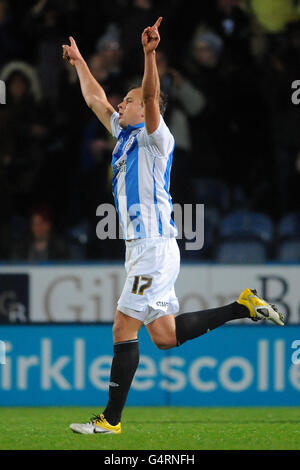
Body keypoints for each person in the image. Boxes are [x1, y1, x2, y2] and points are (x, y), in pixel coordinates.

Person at [62, 17, 284, 436]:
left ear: (144, 109)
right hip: (143, 249)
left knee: (122, 326)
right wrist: (79, 63)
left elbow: (150, 95)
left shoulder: (155, 137)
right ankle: (243, 306)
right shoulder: (124, 138)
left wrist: (148, 55)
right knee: (163, 337)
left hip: (153, 247)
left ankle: (110, 421)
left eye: (126, 101)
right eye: (123, 102)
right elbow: (94, 99)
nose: (120, 105)